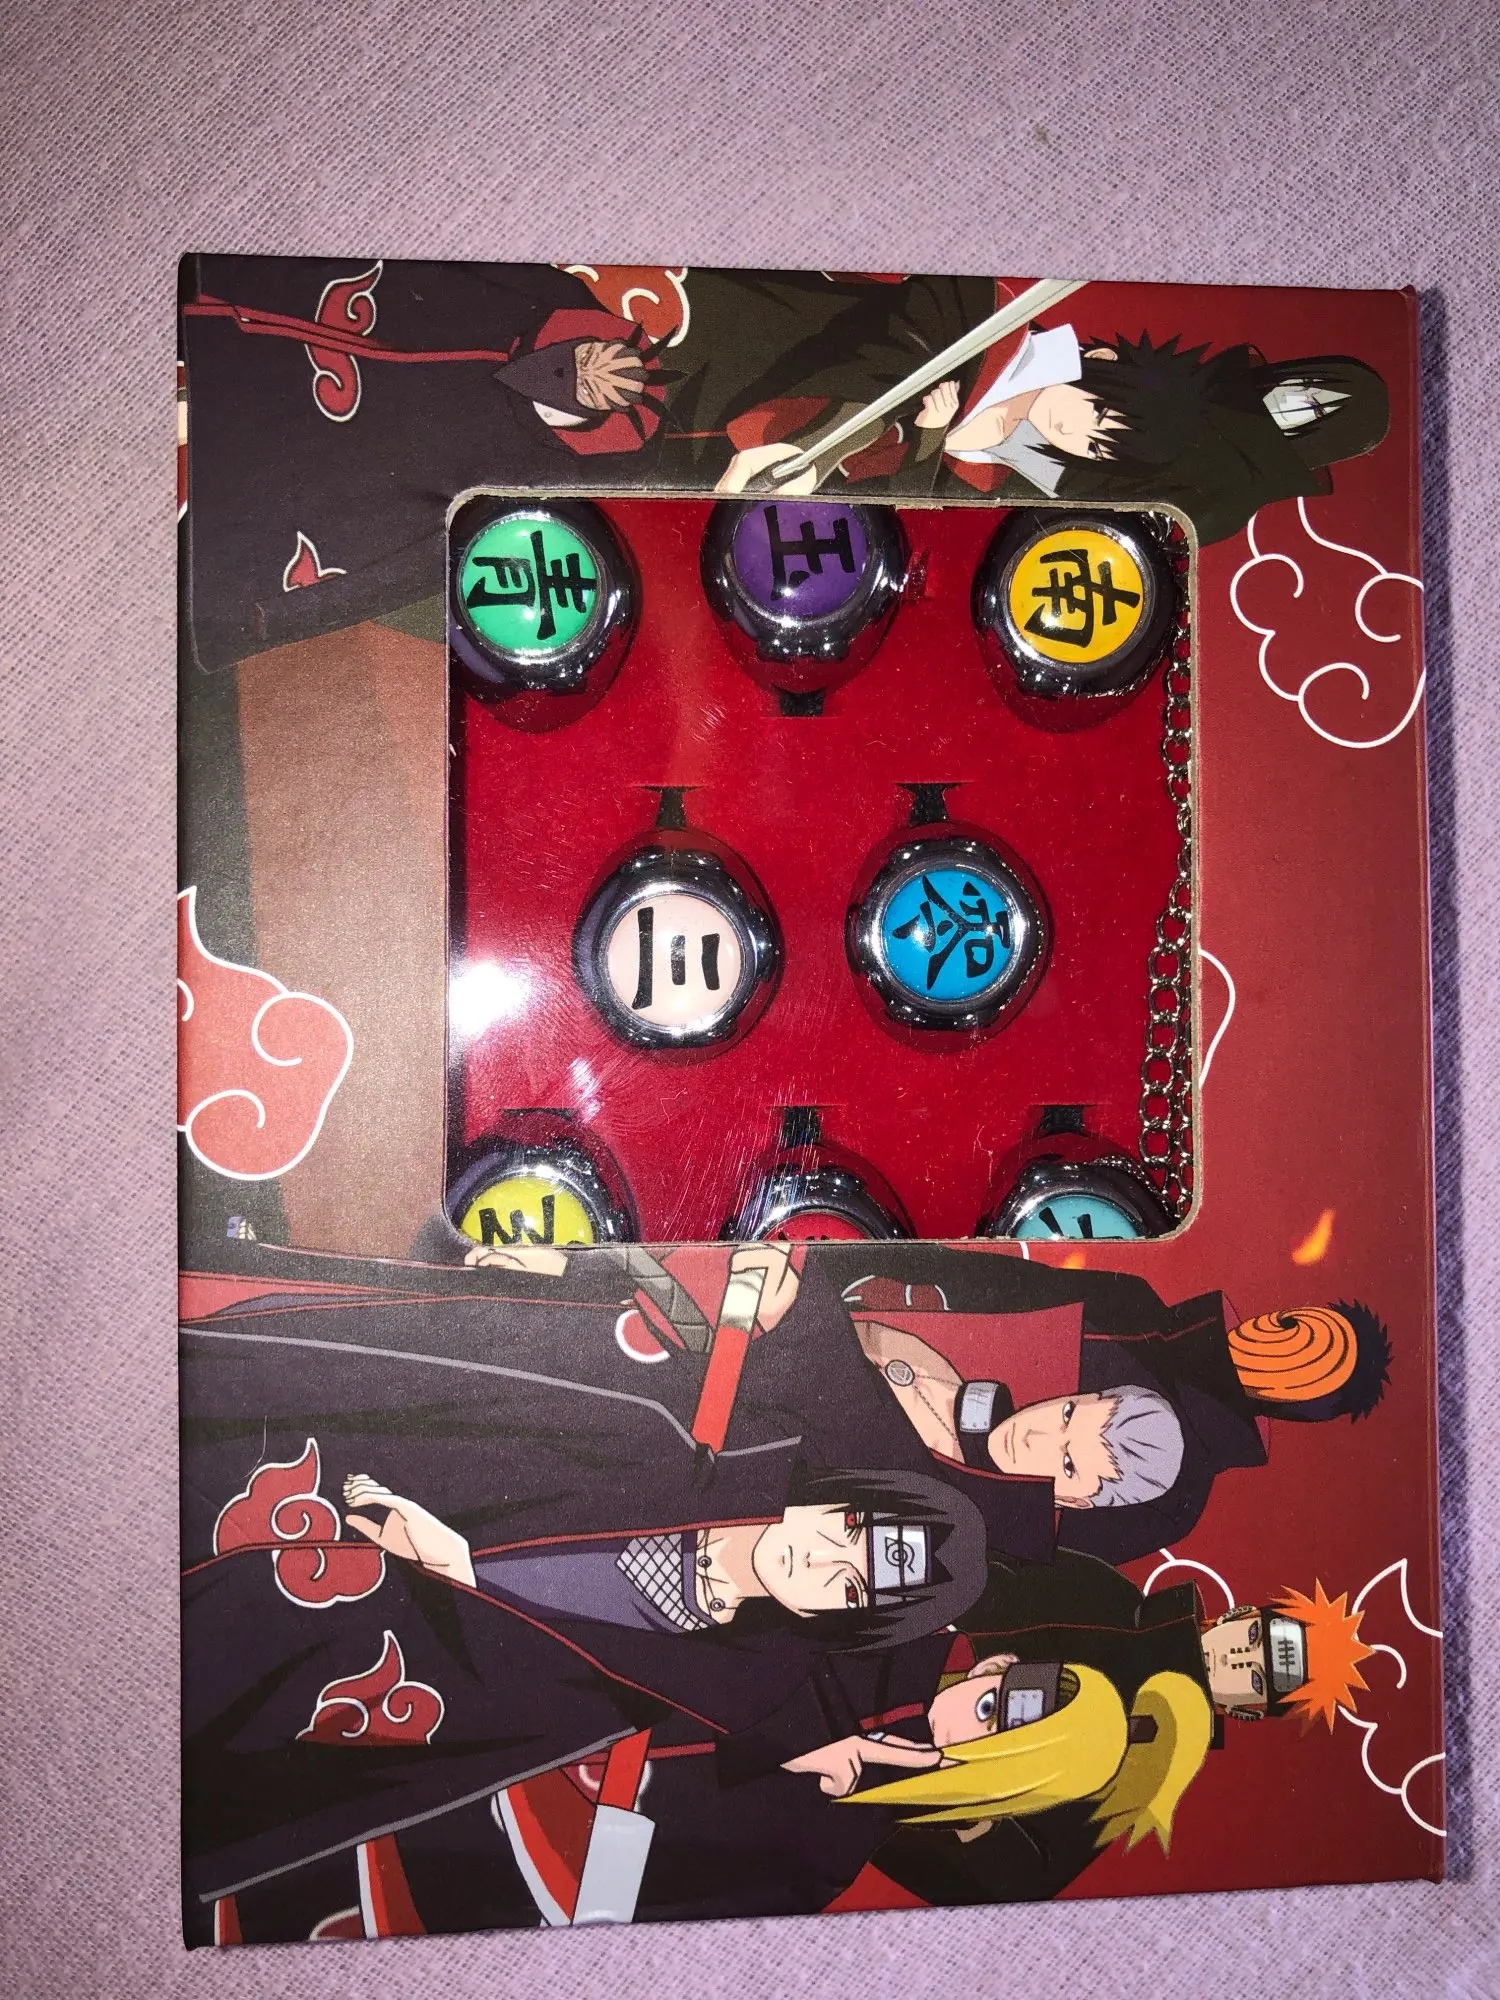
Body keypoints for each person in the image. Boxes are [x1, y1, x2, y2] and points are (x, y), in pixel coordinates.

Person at [829, 1247, 1390, 1564]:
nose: (1273, 1333)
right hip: (861, 1327)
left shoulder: (1173, 1501)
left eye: (1302, 1363)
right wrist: (898, 1285)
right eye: (1291, 1323)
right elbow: (996, 1279)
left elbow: (1014, 1562)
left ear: (1293, 1401)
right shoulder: (1136, 1308)